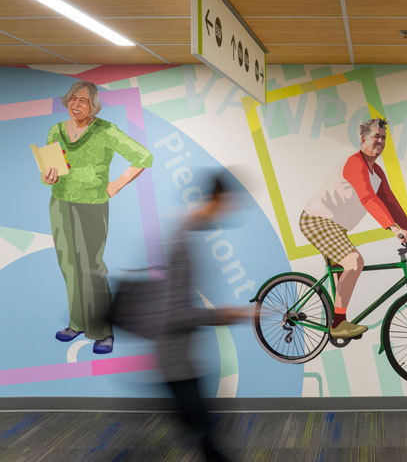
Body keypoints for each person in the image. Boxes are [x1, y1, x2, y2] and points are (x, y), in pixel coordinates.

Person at [111, 171, 252, 462]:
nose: (232, 211)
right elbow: (174, 313)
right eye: (230, 204)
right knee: (203, 438)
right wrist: (226, 314)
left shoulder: (184, 234)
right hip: (175, 362)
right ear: (218, 200)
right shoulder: (182, 241)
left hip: (180, 359)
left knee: (202, 436)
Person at [43, 80, 153, 354]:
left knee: (92, 268)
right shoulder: (56, 130)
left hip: (92, 205)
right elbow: (50, 172)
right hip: (60, 203)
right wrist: (47, 177)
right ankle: (77, 322)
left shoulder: (105, 131)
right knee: (69, 265)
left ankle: (103, 331)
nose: (76, 105)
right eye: (73, 99)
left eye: (83, 100)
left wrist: (116, 184)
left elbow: (143, 156)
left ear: (93, 105)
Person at [299, 117, 407, 339]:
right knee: (355, 262)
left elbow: (389, 202)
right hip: (317, 220)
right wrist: (395, 230)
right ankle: (338, 325)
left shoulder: (377, 173)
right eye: (377, 136)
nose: (381, 141)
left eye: (384, 138)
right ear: (363, 138)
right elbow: (368, 198)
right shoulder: (355, 163)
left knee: (344, 272)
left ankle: (337, 321)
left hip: (336, 227)